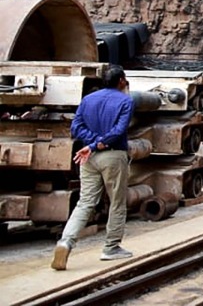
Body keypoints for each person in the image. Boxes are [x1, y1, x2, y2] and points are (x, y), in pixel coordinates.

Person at [52, 65, 134, 270]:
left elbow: (76, 128)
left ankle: (66, 242)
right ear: (122, 81)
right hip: (113, 155)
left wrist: (90, 144)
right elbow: (119, 131)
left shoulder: (88, 99)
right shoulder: (125, 100)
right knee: (116, 202)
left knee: (85, 202)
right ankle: (111, 248)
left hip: (88, 157)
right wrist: (98, 144)